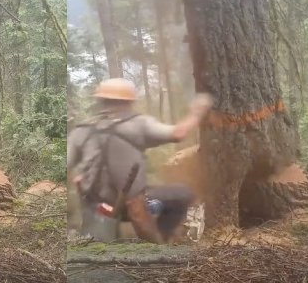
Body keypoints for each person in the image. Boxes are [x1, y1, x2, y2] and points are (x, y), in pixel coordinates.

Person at [67, 78, 213, 244]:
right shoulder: (138, 124)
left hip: (94, 208)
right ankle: (164, 240)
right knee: (182, 194)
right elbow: (178, 133)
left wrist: (80, 181)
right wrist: (197, 112)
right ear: (129, 101)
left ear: (101, 101)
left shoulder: (82, 130)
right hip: (129, 210)